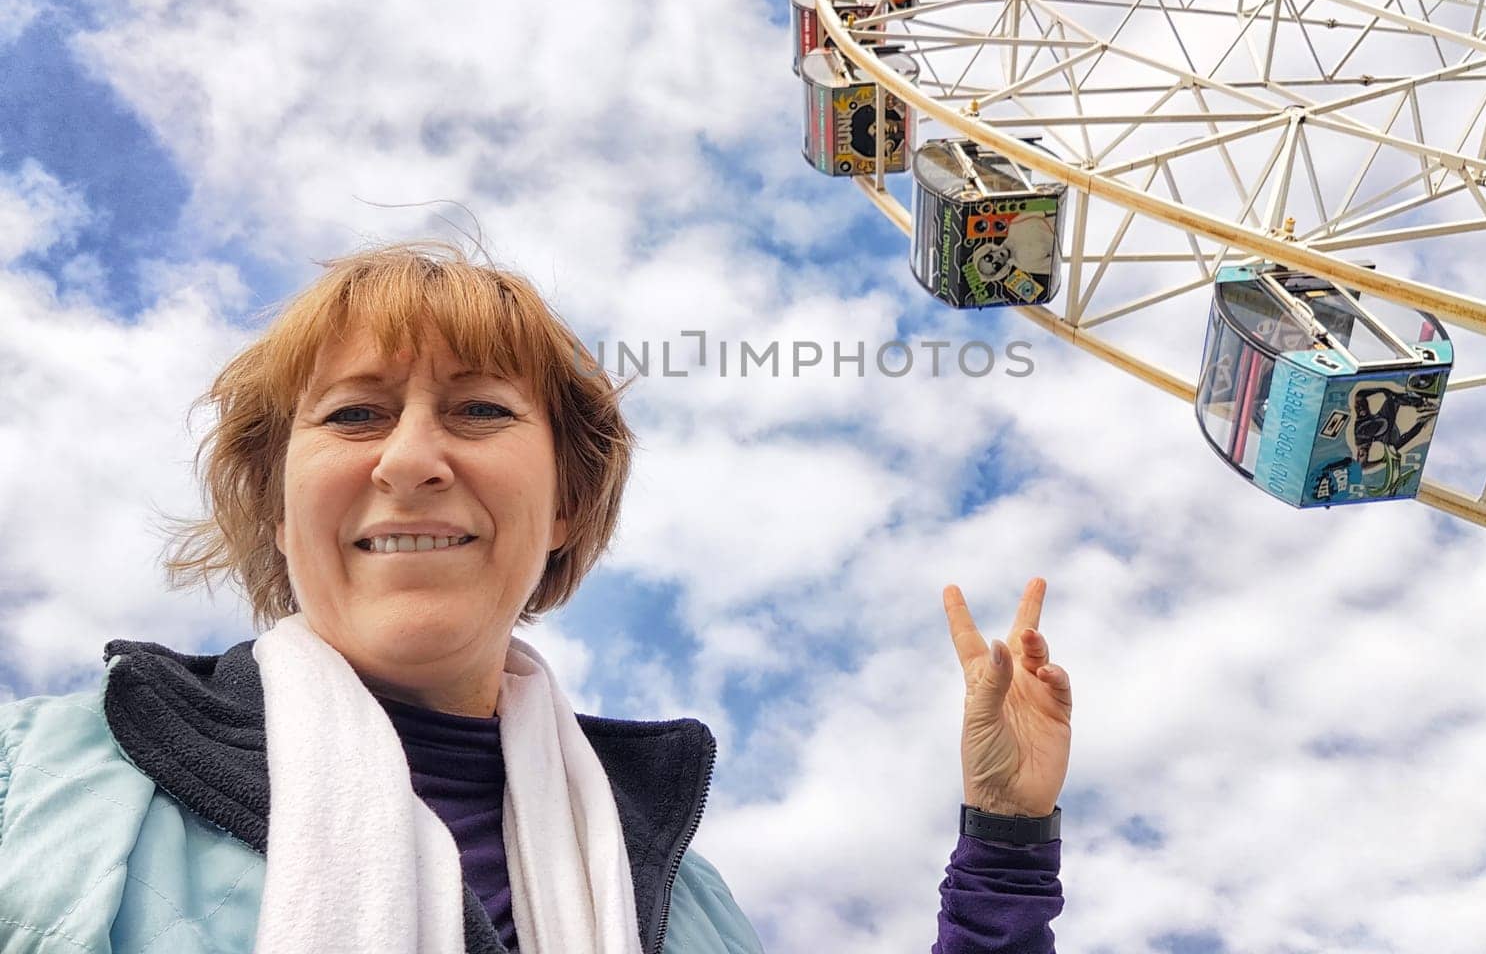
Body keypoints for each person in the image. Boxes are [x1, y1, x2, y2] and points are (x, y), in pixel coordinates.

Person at [0, 242, 1073, 953]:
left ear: (565, 504)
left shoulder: (679, 892)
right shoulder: (36, 780)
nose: (412, 459)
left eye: (477, 411)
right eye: (356, 417)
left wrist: (1008, 835)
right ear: (279, 510)